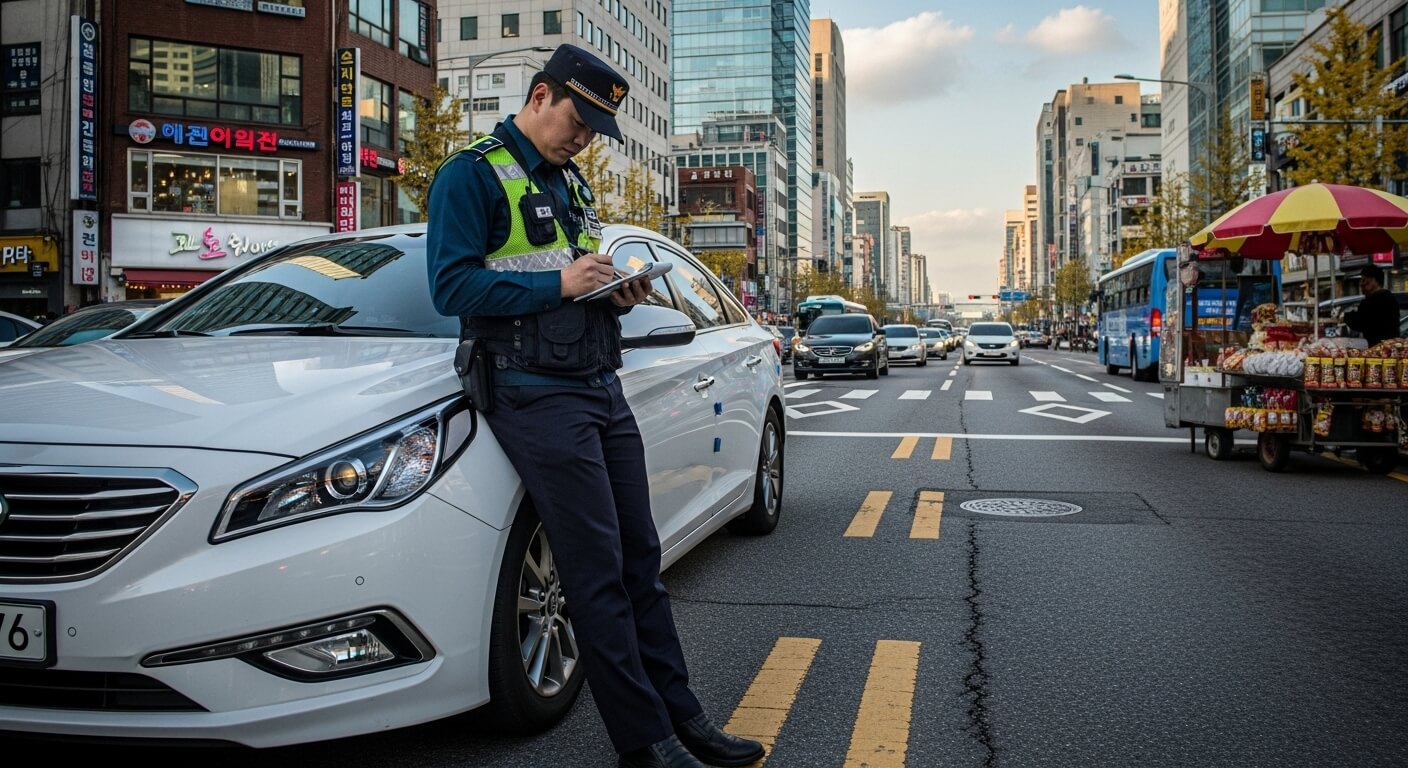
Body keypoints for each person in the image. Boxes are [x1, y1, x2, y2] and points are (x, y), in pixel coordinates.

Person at [426, 44, 765, 768]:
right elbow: (451, 288)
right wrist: (559, 286)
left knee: (641, 560)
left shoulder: (571, 184)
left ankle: (685, 719)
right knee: (597, 572)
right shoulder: (471, 174)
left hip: (598, 383)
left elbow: (574, 276)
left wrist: (615, 291)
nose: (584, 139)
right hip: (533, 393)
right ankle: (644, 744)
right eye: (579, 121)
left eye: (594, 130)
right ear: (542, 96)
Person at [1344, 265, 1401, 347]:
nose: (1361, 284)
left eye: (1364, 280)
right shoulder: (1390, 297)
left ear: (1374, 281)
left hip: (1381, 349)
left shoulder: (1375, 301)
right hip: (1389, 347)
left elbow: (1361, 322)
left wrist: (1346, 317)